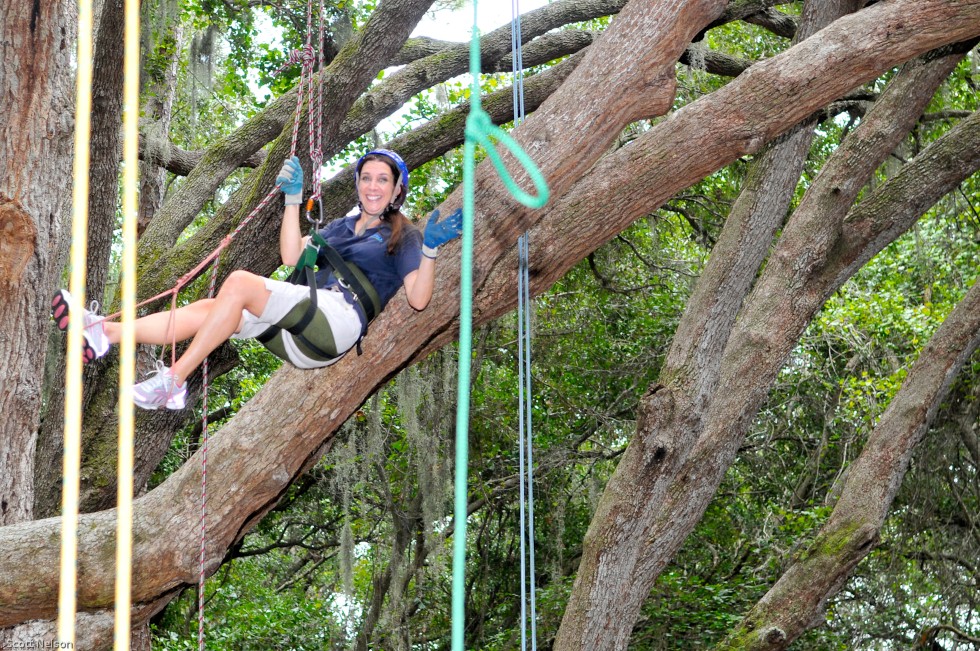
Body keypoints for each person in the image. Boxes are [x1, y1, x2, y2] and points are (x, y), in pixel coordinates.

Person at [51, 149, 463, 410]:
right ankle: (104, 332)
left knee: (242, 283)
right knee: (212, 308)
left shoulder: (403, 234)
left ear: (397, 190)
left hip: (336, 325)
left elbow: (420, 299)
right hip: (300, 327)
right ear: (358, 184)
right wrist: (292, 200)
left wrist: (429, 249)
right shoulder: (339, 226)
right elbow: (289, 255)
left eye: (383, 180)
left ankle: (175, 380)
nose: (373, 186)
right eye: (367, 177)